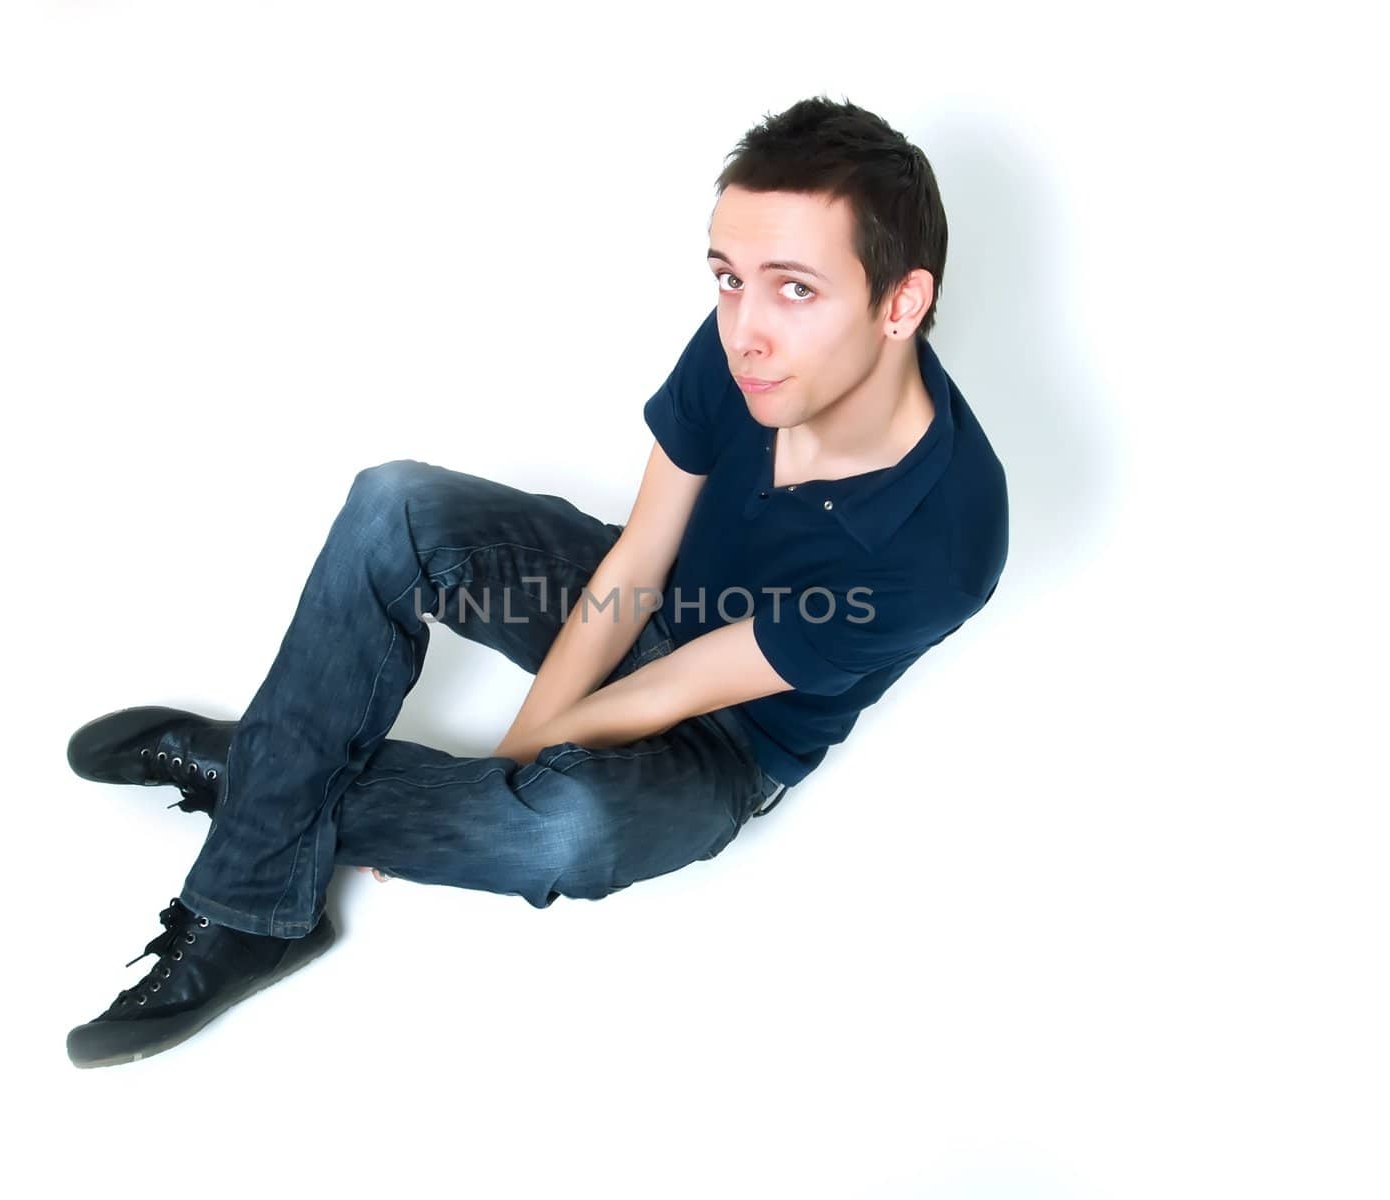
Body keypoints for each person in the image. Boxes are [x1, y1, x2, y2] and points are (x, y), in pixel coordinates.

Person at [62, 95, 1010, 1069]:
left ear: (900, 303)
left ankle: (256, 775)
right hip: (635, 596)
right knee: (393, 504)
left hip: (727, 742)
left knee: (565, 828)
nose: (744, 329)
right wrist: (500, 770)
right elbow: (638, 559)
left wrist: (499, 782)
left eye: (796, 289)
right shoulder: (751, 350)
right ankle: (261, 901)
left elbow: (677, 688)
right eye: (728, 278)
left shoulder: (947, 542)